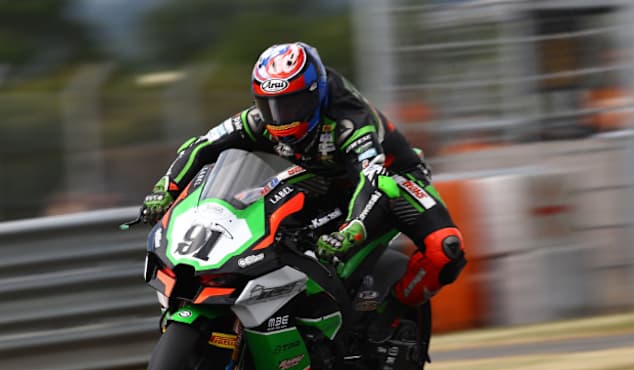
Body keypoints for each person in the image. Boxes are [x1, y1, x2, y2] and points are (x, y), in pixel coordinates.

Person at [142, 41, 466, 308]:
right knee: (254, 206)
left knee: (445, 249)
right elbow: (204, 145)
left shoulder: (349, 121)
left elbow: (372, 179)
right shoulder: (260, 120)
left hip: (392, 179)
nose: (280, 118)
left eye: (292, 105)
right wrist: (164, 189)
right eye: (270, 105)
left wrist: (351, 232)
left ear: (317, 94)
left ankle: (395, 308)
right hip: (322, 175)